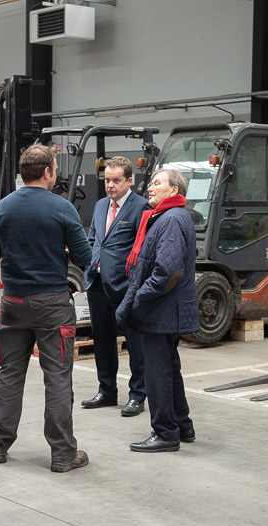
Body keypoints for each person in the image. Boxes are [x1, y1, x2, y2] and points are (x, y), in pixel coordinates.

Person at [0, 144, 93, 473]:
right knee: (57, 379)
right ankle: (62, 454)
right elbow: (84, 259)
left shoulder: (3, 207)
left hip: (13, 303)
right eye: (55, 169)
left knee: (9, 374)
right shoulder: (62, 208)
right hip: (52, 305)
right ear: (47, 173)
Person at [115, 169, 201, 452]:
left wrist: (139, 298)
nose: (150, 188)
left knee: (158, 372)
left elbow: (168, 271)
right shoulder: (168, 217)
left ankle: (165, 433)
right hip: (166, 309)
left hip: (161, 309)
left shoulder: (172, 219)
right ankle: (182, 425)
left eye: (157, 183)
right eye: (150, 183)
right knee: (169, 368)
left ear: (174, 190)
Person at [81, 156, 150, 416]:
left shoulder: (141, 207)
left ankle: (138, 394)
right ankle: (107, 390)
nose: (110, 185)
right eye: (107, 180)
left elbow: (143, 249)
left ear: (129, 181)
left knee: (135, 342)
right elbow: (93, 239)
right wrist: (90, 264)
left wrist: (135, 282)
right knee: (102, 339)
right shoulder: (100, 205)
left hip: (126, 286)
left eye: (116, 180)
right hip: (97, 283)